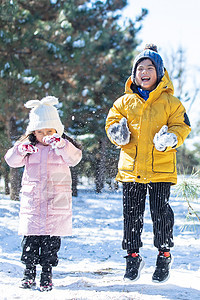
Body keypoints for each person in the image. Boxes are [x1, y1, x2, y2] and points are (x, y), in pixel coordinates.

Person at [105, 44, 191, 283]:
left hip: (160, 171)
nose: (144, 72)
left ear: (159, 72)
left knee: (160, 213)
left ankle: (164, 256)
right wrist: (116, 133)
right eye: (140, 68)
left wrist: (171, 138)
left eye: (149, 68)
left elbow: (182, 125)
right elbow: (111, 123)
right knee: (131, 215)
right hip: (131, 169)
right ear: (134, 74)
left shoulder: (171, 102)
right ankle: (133, 257)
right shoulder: (124, 102)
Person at [4, 96, 82, 291]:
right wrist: (20, 150)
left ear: (57, 130)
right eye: (40, 131)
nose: (44, 135)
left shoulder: (62, 147)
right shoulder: (28, 148)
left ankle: (47, 273)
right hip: (34, 202)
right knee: (30, 241)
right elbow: (11, 161)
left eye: (49, 131)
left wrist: (62, 144)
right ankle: (28, 273)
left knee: (50, 242)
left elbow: (74, 158)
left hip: (57, 201)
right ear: (33, 132)